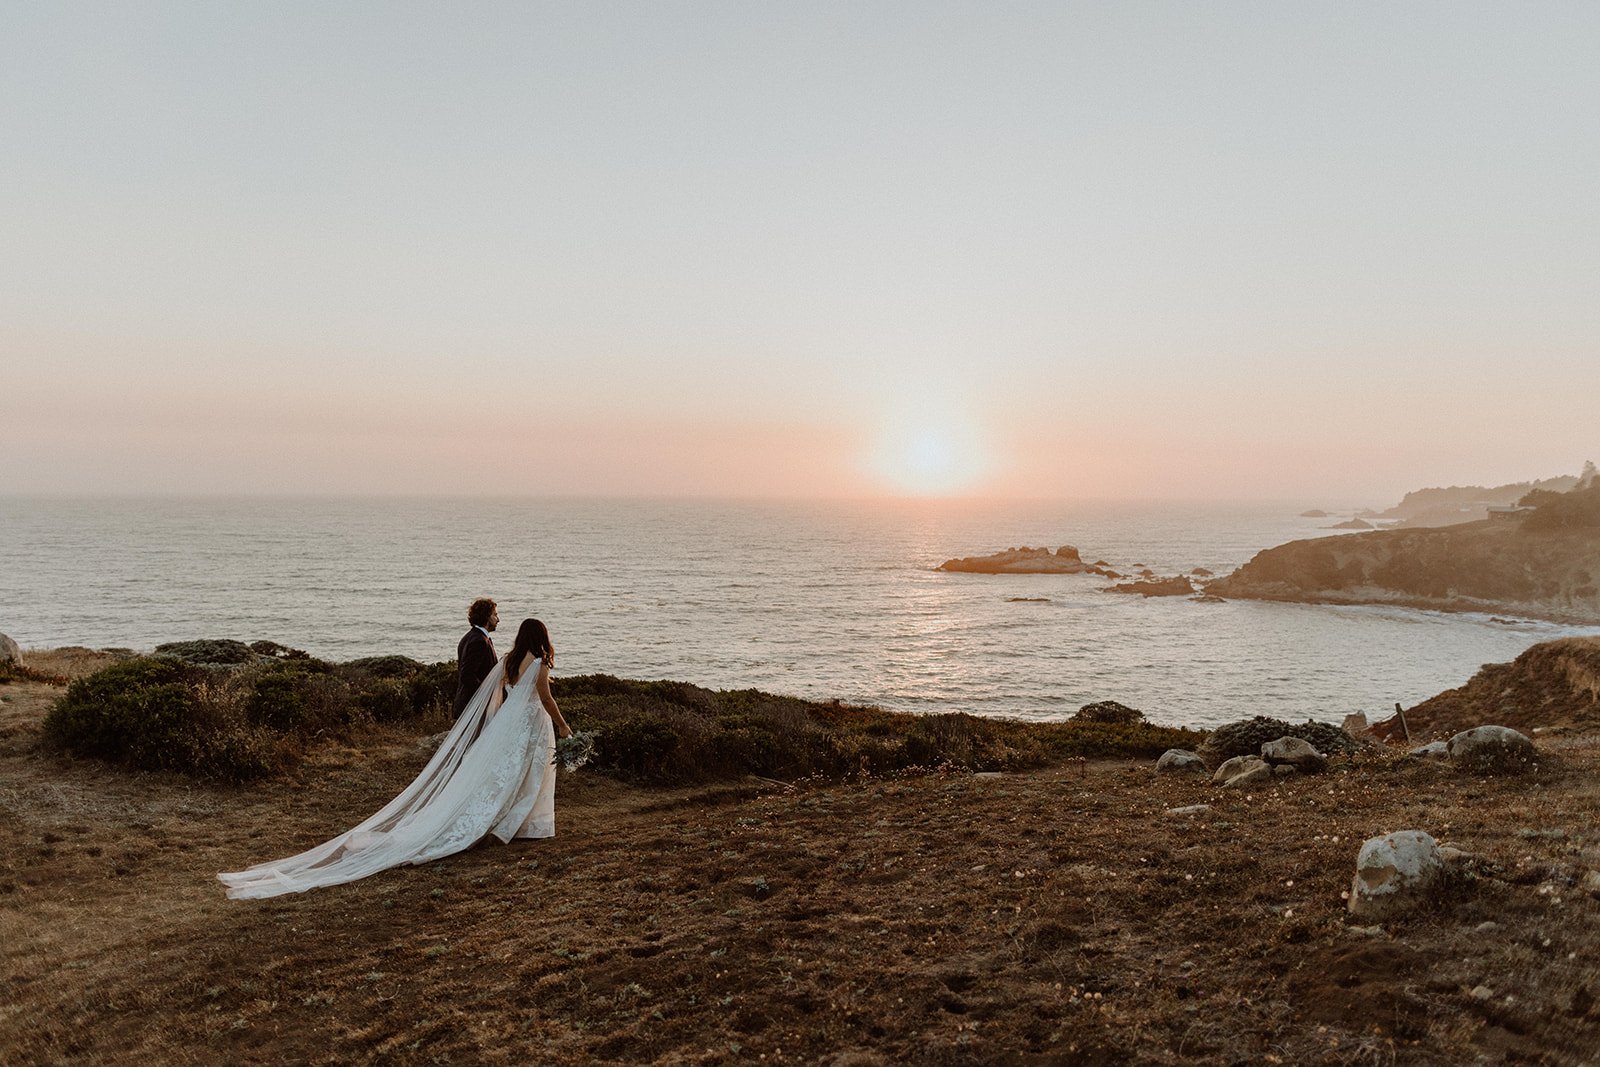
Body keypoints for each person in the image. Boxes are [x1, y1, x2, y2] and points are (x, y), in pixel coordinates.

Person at [217, 618, 573, 899]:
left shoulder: (510, 660)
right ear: (540, 636)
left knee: (506, 775)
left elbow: (498, 693)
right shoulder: (539, 662)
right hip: (528, 723)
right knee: (529, 772)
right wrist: (564, 726)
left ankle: (517, 822)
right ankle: (524, 825)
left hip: (509, 724)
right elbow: (545, 698)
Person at [454, 598, 499, 716]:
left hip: (469, 704)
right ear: (487, 616)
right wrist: (486, 693)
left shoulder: (470, 637)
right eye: (495, 615)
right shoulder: (479, 641)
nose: (498, 619)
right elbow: (467, 675)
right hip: (474, 706)